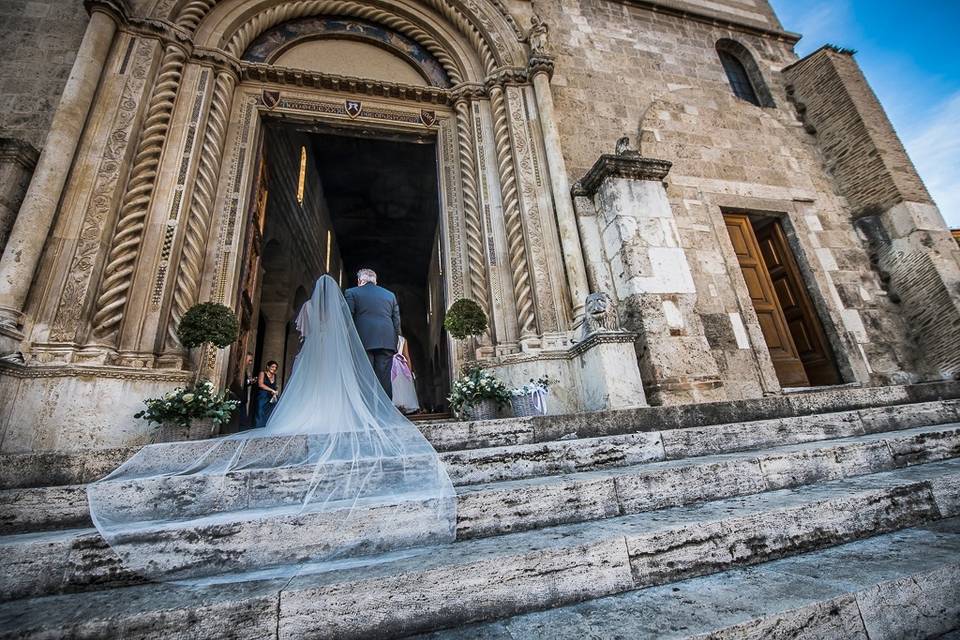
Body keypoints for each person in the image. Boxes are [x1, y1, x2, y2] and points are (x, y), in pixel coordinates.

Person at [86, 275, 456, 584]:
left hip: (338, 350)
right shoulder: (385, 296)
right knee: (376, 382)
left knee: (319, 384)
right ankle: (381, 412)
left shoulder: (335, 304)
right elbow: (391, 319)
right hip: (381, 341)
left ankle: (337, 412)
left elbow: (333, 324)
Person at [344, 268, 401, 398]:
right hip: (386, 341)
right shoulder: (390, 295)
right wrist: (396, 340)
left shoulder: (351, 292)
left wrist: (347, 339)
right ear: (375, 281)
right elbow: (396, 321)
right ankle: (385, 415)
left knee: (365, 379)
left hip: (362, 341)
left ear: (359, 280)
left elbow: (348, 318)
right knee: (384, 380)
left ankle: (368, 414)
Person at [391, 335, 420, 414]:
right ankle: (402, 406)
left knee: (393, 386)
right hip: (401, 367)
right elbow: (406, 356)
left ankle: (392, 405)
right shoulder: (402, 340)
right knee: (402, 387)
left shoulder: (386, 336)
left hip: (389, 364)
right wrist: (409, 371)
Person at [255, 360, 279, 428]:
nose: (274, 368)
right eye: (272, 367)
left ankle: (267, 428)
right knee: (260, 412)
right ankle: (259, 429)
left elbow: (275, 386)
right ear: (268, 367)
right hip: (262, 396)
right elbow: (261, 384)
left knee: (270, 412)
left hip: (271, 397)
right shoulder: (262, 373)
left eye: (275, 367)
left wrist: (275, 391)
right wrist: (271, 390)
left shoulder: (275, 375)